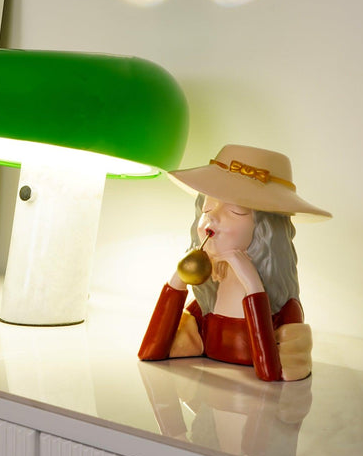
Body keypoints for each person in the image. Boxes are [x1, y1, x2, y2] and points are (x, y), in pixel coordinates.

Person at [138, 145, 331, 381]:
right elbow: (151, 351)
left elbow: (271, 372)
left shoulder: (286, 310)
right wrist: (178, 279)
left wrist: (252, 283)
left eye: (235, 212)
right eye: (207, 208)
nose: (211, 217)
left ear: (265, 230)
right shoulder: (205, 303)